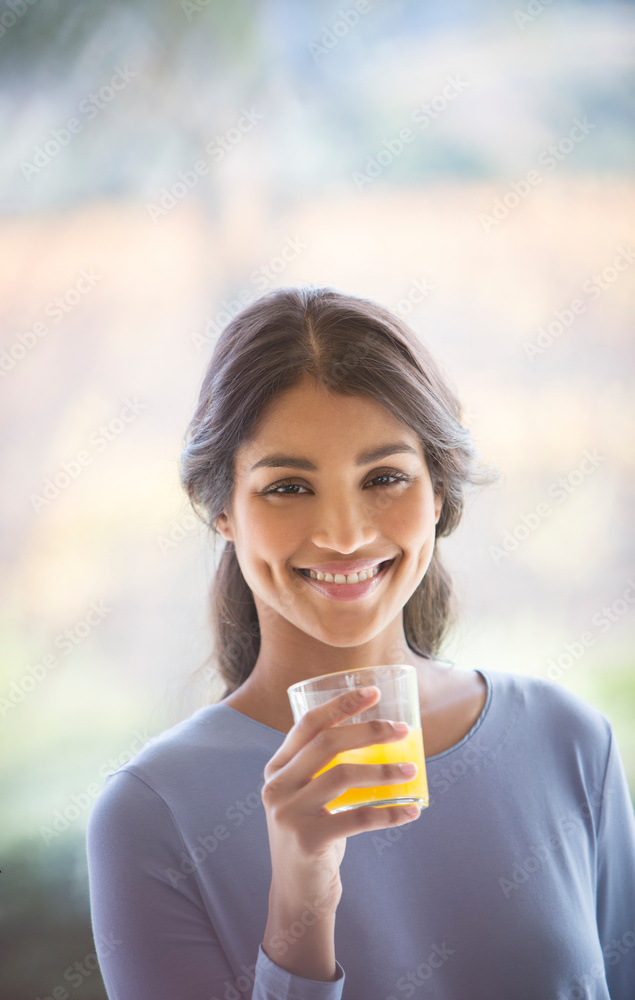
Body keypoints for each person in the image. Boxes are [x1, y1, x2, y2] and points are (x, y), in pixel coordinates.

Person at [86, 285, 635, 999]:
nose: (343, 535)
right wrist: (300, 902)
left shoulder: (568, 742)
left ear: (437, 494)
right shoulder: (150, 814)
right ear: (220, 509)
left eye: (384, 477)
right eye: (287, 487)